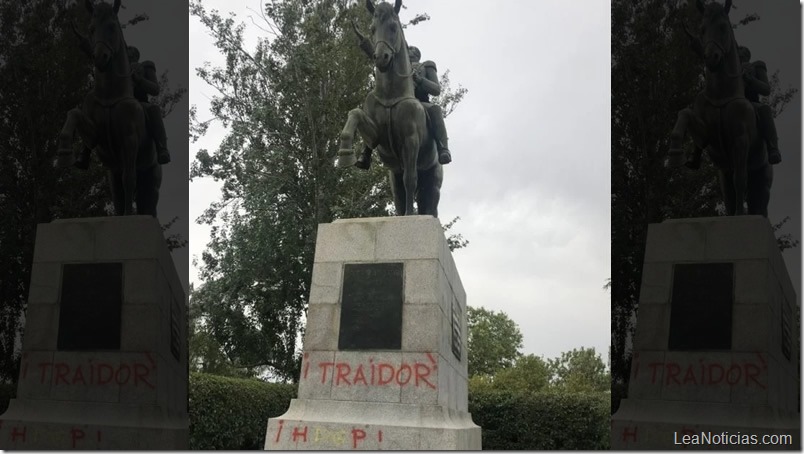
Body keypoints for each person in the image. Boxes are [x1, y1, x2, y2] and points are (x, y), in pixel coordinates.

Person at [353, 44, 453, 170]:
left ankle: (443, 148)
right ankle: (366, 153)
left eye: (411, 49)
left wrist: (421, 80)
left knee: (436, 110)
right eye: (407, 49)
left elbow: (436, 90)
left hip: (420, 103)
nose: (408, 51)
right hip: (396, 103)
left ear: (417, 54)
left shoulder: (426, 66)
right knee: (374, 114)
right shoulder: (396, 66)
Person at [73, 45, 171, 168]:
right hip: (116, 103)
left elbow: (155, 89)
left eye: (130, 53)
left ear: (136, 56)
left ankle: (161, 148)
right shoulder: (116, 70)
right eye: (126, 53)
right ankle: (85, 152)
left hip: (139, 103)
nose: (127, 55)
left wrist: (140, 80)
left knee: (154, 110)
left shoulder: (145, 67)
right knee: (96, 115)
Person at [685, 45, 782, 168]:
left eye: (740, 50)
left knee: (765, 109)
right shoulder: (727, 69)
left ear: (747, 54)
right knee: (704, 115)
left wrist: (751, 80)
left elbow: (766, 89)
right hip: (726, 104)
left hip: (749, 104)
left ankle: (772, 148)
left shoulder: (756, 66)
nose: (738, 52)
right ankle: (696, 155)